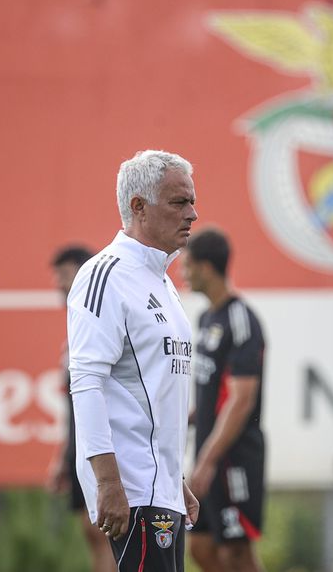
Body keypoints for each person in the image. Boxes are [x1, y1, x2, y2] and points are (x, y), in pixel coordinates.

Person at [67, 150, 200, 571]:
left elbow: (156, 395)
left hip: (161, 489)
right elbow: (86, 381)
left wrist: (176, 479)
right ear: (139, 206)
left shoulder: (161, 280)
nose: (193, 214)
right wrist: (108, 482)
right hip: (132, 489)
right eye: (179, 202)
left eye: (192, 201)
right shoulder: (104, 274)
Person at [182, 227, 267, 572]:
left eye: (186, 266)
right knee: (201, 547)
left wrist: (207, 459)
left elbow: (242, 399)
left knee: (236, 552)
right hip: (208, 449)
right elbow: (214, 391)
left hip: (233, 455)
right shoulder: (205, 319)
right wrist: (190, 416)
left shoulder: (241, 319)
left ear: (205, 267)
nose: (182, 273)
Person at [46, 244, 114, 572]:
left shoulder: (99, 323)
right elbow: (75, 404)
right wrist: (64, 456)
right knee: (92, 533)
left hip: (101, 450)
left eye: (63, 275)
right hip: (80, 447)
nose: (58, 284)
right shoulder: (72, 335)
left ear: (83, 273)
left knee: (106, 532)